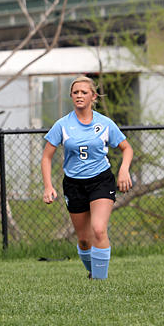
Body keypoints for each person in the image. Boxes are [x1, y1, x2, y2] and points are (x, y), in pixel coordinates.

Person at [41, 76, 133, 279]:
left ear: (93, 96)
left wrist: (124, 169)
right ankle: (94, 272)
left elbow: (127, 149)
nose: (79, 96)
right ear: (71, 96)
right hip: (73, 184)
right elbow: (47, 157)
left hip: (101, 180)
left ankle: (100, 282)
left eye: (84, 92)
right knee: (84, 240)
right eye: (75, 92)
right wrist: (48, 186)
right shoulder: (62, 125)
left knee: (99, 230)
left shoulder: (105, 123)